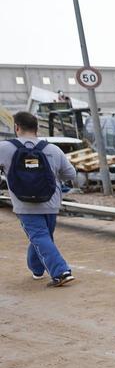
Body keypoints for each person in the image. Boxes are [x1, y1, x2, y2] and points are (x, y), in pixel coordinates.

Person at [0, 111, 79, 287]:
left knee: (40, 237)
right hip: (50, 202)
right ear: (37, 129)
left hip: (24, 203)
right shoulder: (52, 149)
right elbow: (70, 174)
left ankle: (61, 272)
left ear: (17, 127)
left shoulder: (4, 148)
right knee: (42, 237)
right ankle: (36, 269)